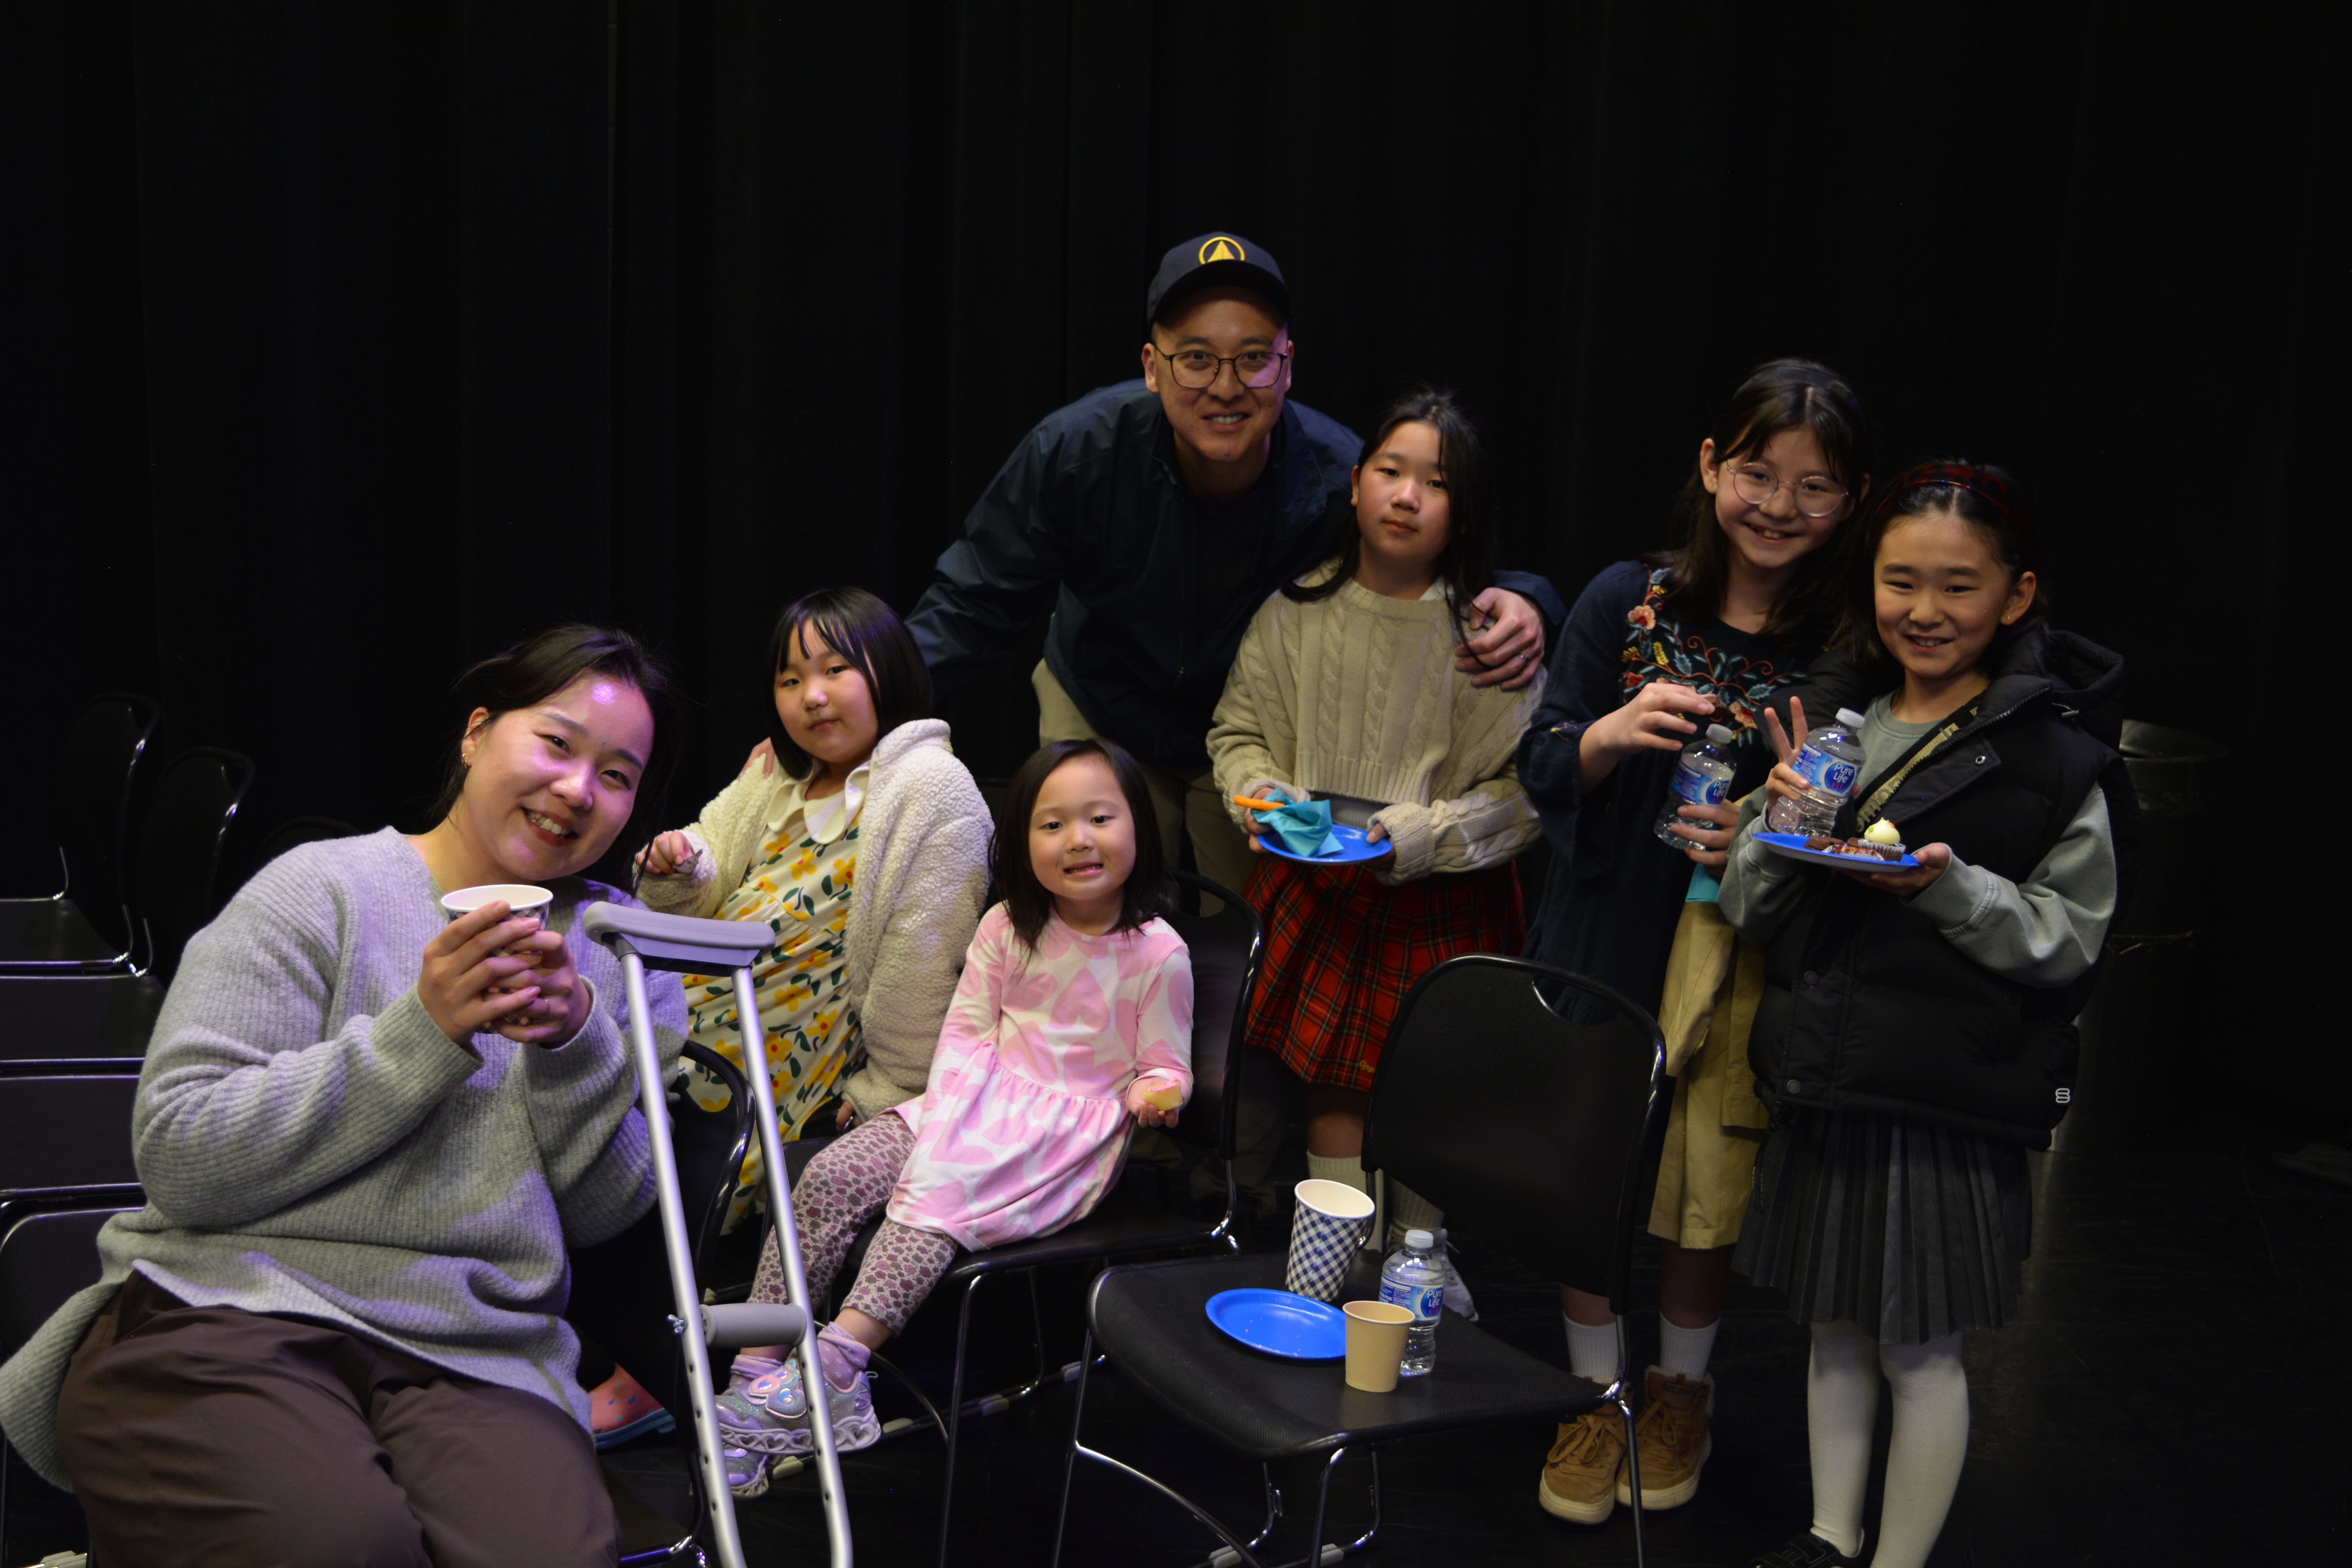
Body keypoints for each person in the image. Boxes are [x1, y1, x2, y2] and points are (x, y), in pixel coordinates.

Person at [0, 626, 689, 1567]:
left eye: (617, 775)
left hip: (477, 1352)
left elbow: (605, 1212)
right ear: (476, 734)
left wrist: (576, 1046)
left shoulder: (622, 954)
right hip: (230, 1306)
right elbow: (181, 1154)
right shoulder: (322, 889)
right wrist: (424, 1032)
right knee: (335, 1543)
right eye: (557, 743)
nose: (577, 789)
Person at [1722, 463, 2129, 1568]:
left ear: (2017, 594)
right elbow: (1752, 908)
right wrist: (1783, 818)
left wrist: (1950, 889)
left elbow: (2069, 939)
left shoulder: (2057, 756)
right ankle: (1828, 1537)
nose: (1926, 610)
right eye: (1902, 581)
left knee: (1920, 1349)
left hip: (1948, 1095)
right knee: (1833, 1325)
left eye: (1959, 585)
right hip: (1828, 1070)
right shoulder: (1841, 730)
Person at [906, 230, 1558, 900]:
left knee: (1261, 921)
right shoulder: (1076, 452)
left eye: (1253, 359)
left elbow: (1423, 548)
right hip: (1102, 699)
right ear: (1152, 366)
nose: (1226, 387)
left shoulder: (1337, 476)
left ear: (1288, 366)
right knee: (1091, 910)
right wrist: (873, 698)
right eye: (1196, 358)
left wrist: (1527, 595)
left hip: (1250, 737)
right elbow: (973, 602)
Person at [1519, 360, 1874, 1525]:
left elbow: (1846, 804)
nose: (1780, 506)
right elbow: (1541, 762)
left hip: (1741, 946)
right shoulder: (1629, 602)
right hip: (1604, 929)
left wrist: (1767, 828)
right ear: (1712, 466)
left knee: (1702, 1180)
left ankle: (1681, 1395)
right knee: (1588, 1169)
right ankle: (1596, 1396)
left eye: (1815, 487)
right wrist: (1613, 732)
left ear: (1853, 501)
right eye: (1759, 473)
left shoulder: (1848, 639)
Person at [713, 738, 1192, 1495]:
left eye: (1100, 818)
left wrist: (1157, 1091)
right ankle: (757, 1376)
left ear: (1140, 825)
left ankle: (836, 1369)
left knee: (929, 1206)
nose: (1078, 840)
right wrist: (951, 1114)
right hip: (968, 1097)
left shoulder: (1159, 953)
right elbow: (966, 1032)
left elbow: (1166, 1064)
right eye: (1052, 824)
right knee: (832, 1174)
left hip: (1059, 1137)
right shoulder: (1006, 925)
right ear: (1022, 841)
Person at [583, 588, 993, 1446]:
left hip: (798, 1041)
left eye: (836, 669)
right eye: (790, 677)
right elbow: (705, 871)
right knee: (587, 1090)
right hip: (705, 994)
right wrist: (682, 860)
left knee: (673, 1134)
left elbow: (923, 963)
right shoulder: (777, 773)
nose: (812, 695)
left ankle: (650, 1368)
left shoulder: (931, 788)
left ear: (890, 671)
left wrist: (890, 1090)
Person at [1206, 387, 1542, 1274]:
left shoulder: (1490, 637)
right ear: (1355, 483)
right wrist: (1261, 794)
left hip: (1440, 892)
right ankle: (1337, 1267)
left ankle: (1417, 1268)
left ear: (1464, 510)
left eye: (1437, 482)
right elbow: (1238, 734)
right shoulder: (1294, 613)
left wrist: (1422, 833)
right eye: (1391, 471)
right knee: (1335, 1084)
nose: (1407, 496)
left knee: (1429, 1091)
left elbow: (1525, 794)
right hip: (1316, 881)